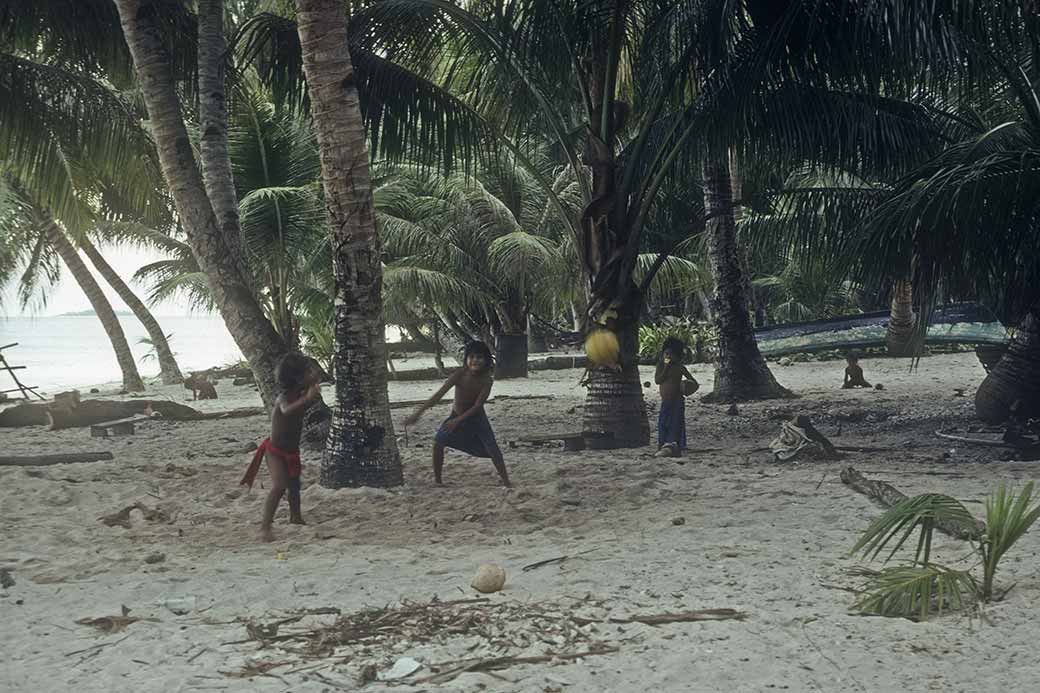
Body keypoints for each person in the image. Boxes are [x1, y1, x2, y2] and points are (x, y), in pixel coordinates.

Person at [404, 341, 511, 487]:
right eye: (471, 357)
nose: (475, 361)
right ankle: (438, 481)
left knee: (493, 450)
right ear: (466, 359)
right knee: (438, 443)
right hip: (456, 414)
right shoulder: (459, 374)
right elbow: (438, 395)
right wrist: (418, 413)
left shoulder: (486, 381)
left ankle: (506, 482)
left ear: (486, 360)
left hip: (477, 418)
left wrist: (457, 421)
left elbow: (477, 405)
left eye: (479, 357)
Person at [241, 352, 321, 542]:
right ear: (297, 378)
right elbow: (286, 411)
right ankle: (265, 527)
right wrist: (307, 398)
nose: (313, 373)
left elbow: (314, 379)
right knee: (279, 486)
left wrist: (310, 389)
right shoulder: (284, 398)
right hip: (275, 451)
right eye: (308, 371)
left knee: (294, 486)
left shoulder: (301, 393)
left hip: (292, 451)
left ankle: (296, 517)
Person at [655, 336, 698, 457]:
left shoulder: (680, 367)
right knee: (663, 422)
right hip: (666, 400)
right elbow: (658, 380)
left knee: (676, 422)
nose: (667, 357)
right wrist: (666, 368)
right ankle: (662, 442)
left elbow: (693, 381)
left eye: (670, 354)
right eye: (666, 353)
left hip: (677, 400)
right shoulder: (661, 366)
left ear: (677, 355)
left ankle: (677, 443)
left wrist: (686, 386)